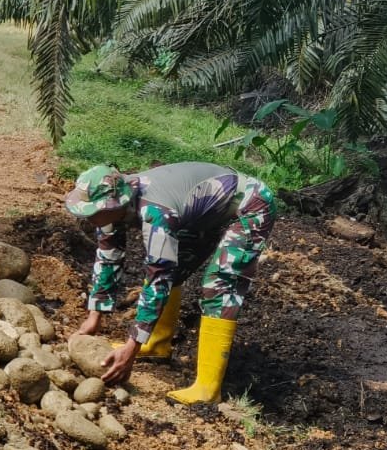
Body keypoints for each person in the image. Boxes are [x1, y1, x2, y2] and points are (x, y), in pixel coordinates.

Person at [64, 160, 276, 404]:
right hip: (200, 211)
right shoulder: (109, 213)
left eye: (93, 212)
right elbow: (108, 257)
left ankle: (208, 389)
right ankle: (157, 344)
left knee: (220, 285)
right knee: (176, 269)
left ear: (117, 203)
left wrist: (131, 349)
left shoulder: (156, 212)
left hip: (250, 206)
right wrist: (95, 316)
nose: (90, 218)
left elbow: (158, 277)